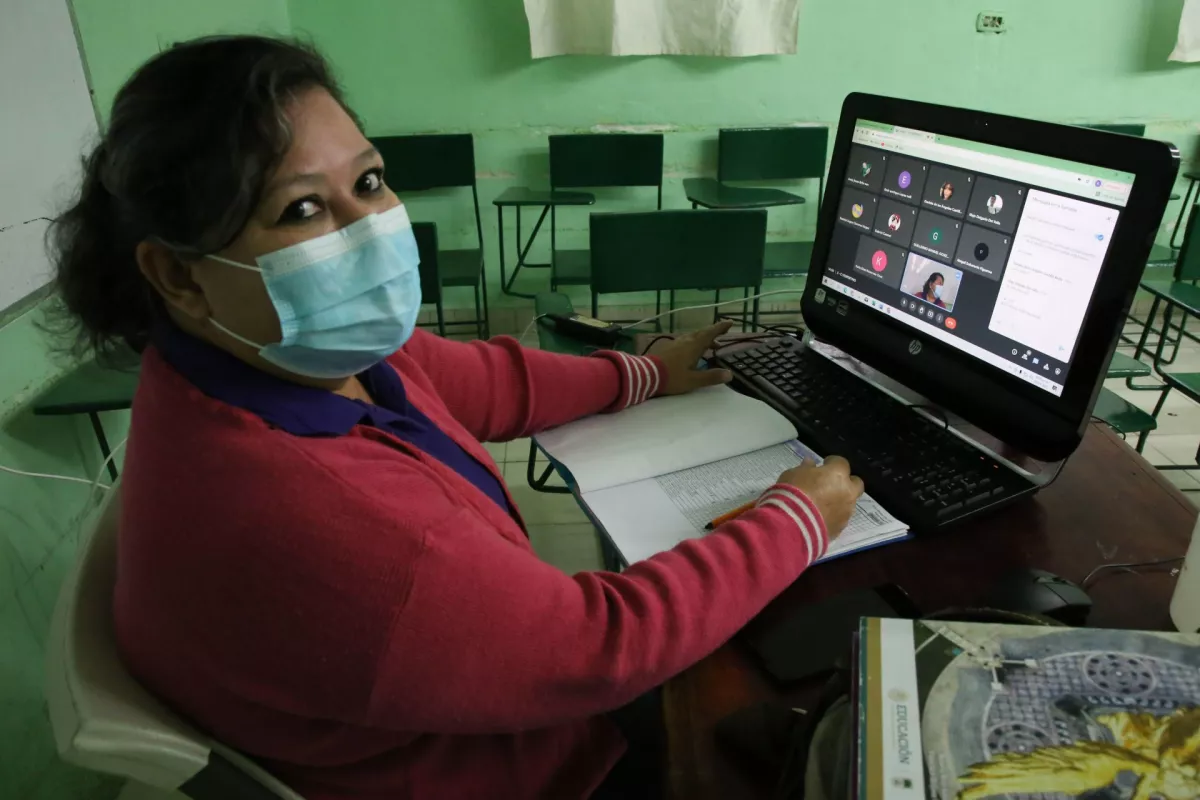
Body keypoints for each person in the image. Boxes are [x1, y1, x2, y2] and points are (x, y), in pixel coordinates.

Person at [49, 36, 864, 800]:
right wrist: (793, 519)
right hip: (542, 775)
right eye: (302, 211)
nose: (370, 227)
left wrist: (643, 372)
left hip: (485, 710)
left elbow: (475, 381)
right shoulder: (319, 520)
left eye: (367, 182)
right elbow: (600, 649)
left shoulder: (253, 361)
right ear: (179, 276)